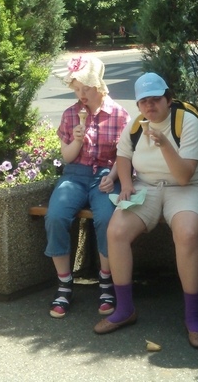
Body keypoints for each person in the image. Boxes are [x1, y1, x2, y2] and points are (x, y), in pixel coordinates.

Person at [94, 73, 198, 349]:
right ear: (138, 105)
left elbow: (184, 176)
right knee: (116, 231)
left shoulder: (186, 122)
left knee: (186, 233)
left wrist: (164, 144)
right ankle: (125, 309)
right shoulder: (136, 125)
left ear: (168, 99)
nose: (150, 106)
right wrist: (126, 184)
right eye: (144, 101)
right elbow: (123, 155)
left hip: (185, 188)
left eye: (156, 99)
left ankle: (193, 317)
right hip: (146, 186)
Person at [43, 56, 130, 318]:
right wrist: (77, 141)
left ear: (99, 85)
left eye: (87, 88)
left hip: (105, 174)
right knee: (56, 216)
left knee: (107, 219)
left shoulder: (119, 115)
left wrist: (112, 177)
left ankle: (106, 280)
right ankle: (64, 283)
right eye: (77, 89)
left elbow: (124, 155)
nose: (81, 94)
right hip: (75, 175)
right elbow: (67, 157)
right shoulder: (70, 114)